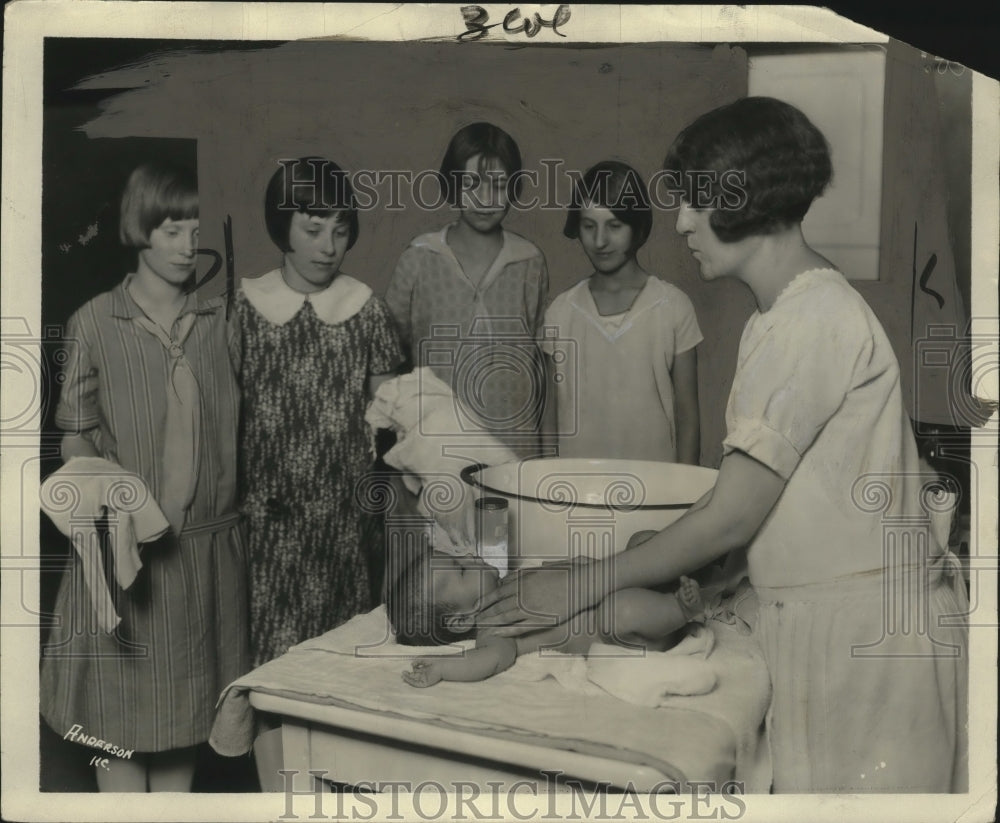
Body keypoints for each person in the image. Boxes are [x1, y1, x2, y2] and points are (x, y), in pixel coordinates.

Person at [477, 97, 968, 793]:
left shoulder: (810, 320)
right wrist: (644, 565)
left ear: (743, 200)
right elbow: (752, 502)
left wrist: (579, 584)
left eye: (694, 202)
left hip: (867, 644)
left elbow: (731, 517)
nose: (680, 223)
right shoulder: (783, 316)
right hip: (839, 623)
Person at [40, 162, 249, 792]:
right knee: (116, 724)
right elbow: (75, 432)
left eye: (197, 231)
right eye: (171, 230)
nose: (187, 246)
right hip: (125, 558)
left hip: (203, 560)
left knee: (183, 724)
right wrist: (103, 496)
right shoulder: (94, 322)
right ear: (140, 229)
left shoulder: (224, 321)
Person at [232, 157, 403, 668]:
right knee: (271, 667)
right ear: (282, 225)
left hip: (345, 530)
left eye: (340, 231)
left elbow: (391, 427)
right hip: (269, 530)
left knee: (340, 663)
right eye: (313, 230)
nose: (329, 247)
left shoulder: (367, 310)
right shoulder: (243, 309)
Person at [384, 122, 548, 456]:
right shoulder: (419, 258)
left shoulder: (529, 262)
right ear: (451, 184)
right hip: (434, 449)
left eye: (498, 185)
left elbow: (542, 363)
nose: (485, 199)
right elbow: (387, 358)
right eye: (471, 184)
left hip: (512, 447)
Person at [542, 160, 701, 463]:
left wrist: (688, 486)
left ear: (638, 228)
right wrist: (547, 482)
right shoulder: (560, 312)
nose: (600, 241)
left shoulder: (673, 307)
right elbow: (549, 419)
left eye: (614, 226)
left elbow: (688, 421)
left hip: (656, 486)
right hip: (576, 487)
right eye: (589, 226)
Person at [390, 547, 704, 687]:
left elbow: (553, 578)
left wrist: (578, 565)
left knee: (641, 540)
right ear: (461, 621)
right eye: (461, 569)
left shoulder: (509, 581)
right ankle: (681, 609)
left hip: (612, 583)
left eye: (459, 557)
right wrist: (443, 668)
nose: (470, 556)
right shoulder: (495, 630)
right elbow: (486, 661)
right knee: (621, 612)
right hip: (630, 629)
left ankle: (698, 576)